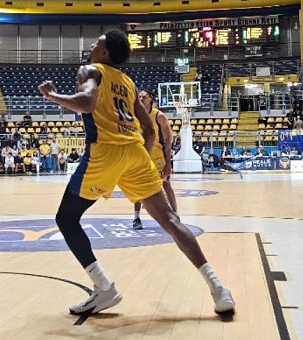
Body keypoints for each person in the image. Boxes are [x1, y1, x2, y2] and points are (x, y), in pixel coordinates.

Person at [37, 30, 234, 315]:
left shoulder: (90, 69)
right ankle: (218, 289)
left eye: (97, 42)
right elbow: (149, 128)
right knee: (170, 220)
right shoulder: (128, 83)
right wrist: (140, 155)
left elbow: (86, 103)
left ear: (104, 53)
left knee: (66, 218)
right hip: (135, 152)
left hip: (105, 152)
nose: (92, 44)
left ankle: (103, 287)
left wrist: (51, 94)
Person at [132, 90, 176, 230]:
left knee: (166, 185)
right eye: (139, 97)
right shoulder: (133, 115)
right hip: (140, 155)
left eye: (144, 96)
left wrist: (168, 162)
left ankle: (175, 214)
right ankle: (136, 218)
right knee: (139, 187)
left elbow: (169, 138)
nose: (141, 98)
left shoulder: (159, 116)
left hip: (157, 156)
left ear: (151, 98)